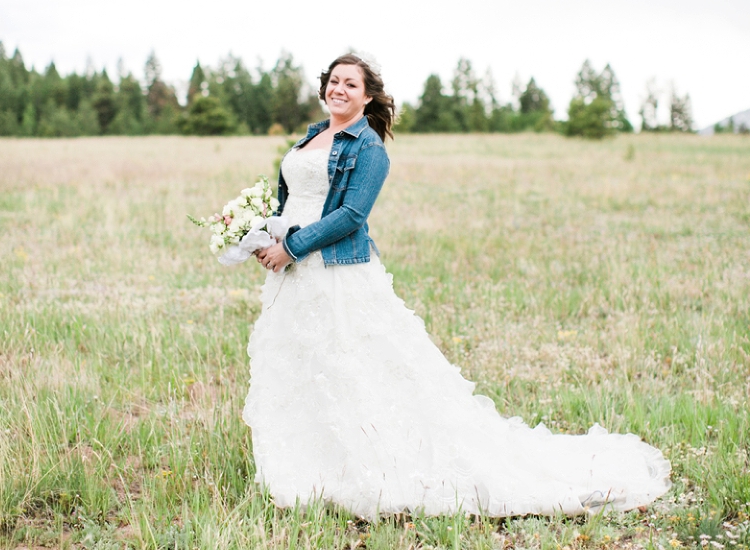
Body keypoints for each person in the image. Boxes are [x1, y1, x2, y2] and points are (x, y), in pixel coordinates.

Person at [244, 53, 670, 519]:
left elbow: (350, 216)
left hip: (335, 271)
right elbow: (294, 197)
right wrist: (263, 233)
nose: (339, 89)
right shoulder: (312, 136)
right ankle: (309, 465)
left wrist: (294, 245)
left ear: (367, 97)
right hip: (295, 272)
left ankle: (368, 466)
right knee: (307, 362)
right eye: (333, 81)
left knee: (353, 366)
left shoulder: (368, 149)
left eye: (350, 84)